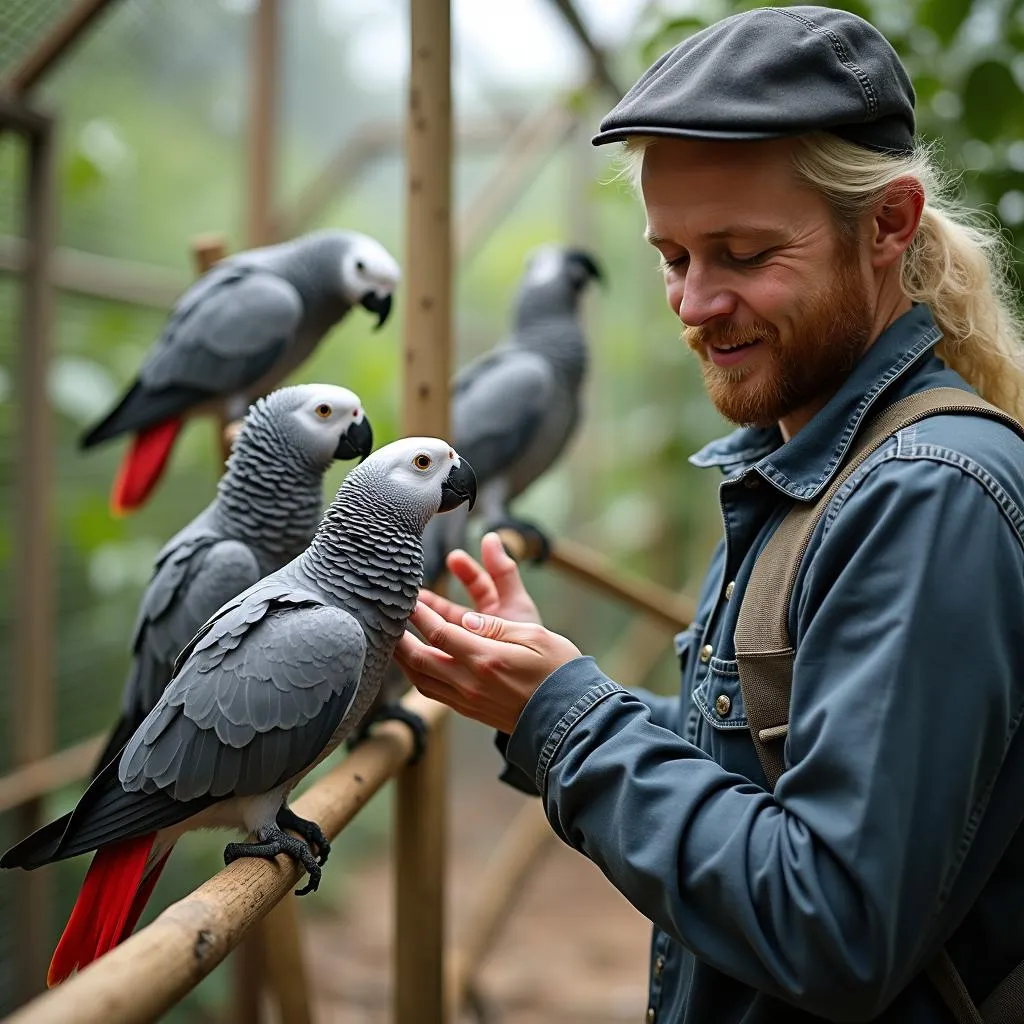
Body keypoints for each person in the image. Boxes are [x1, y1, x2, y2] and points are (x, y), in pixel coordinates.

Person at [394, 6, 1024, 1022]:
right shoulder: (804, 467)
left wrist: (568, 717)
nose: (692, 303)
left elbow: (831, 920)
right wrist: (544, 689)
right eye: (675, 256)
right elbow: (767, 774)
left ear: (888, 226)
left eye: (741, 252)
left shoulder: (923, 497)